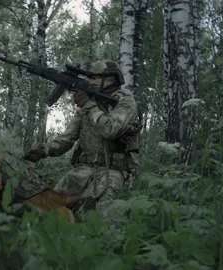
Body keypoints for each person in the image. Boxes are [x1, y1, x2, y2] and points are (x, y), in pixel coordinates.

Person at [23, 59, 140, 216]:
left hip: (112, 171)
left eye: (95, 78)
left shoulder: (125, 101)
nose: (91, 82)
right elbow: (68, 138)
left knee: (106, 218)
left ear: (110, 79)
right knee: (50, 208)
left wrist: (88, 105)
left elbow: (110, 129)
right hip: (84, 169)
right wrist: (44, 150)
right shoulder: (89, 104)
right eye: (90, 78)